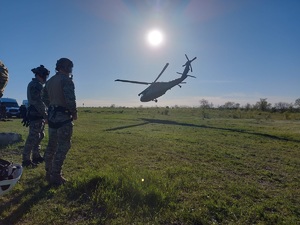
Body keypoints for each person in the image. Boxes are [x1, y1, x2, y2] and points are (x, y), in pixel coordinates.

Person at [42, 58, 77, 185]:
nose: (71, 70)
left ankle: (48, 171)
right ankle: (56, 175)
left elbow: (44, 97)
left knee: (52, 145)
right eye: (70, 67)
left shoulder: (50, 81)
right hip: (63, 117)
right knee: (63, 146)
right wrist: (73, 112)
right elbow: (70, 99)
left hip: (52, 116)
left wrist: (52, 105)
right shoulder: (66, 80)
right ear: (66, 67)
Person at [22, 65, 49, 167]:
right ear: (39, 75)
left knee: (40, 136)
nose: (45, 78)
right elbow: (38, 102)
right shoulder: (35, 85)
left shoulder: (36, 84)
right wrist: (45, 115)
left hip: (38, 114)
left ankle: (36, 156)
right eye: (44, 76)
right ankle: (26, 160)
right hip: (36, 114)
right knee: (32, 138)